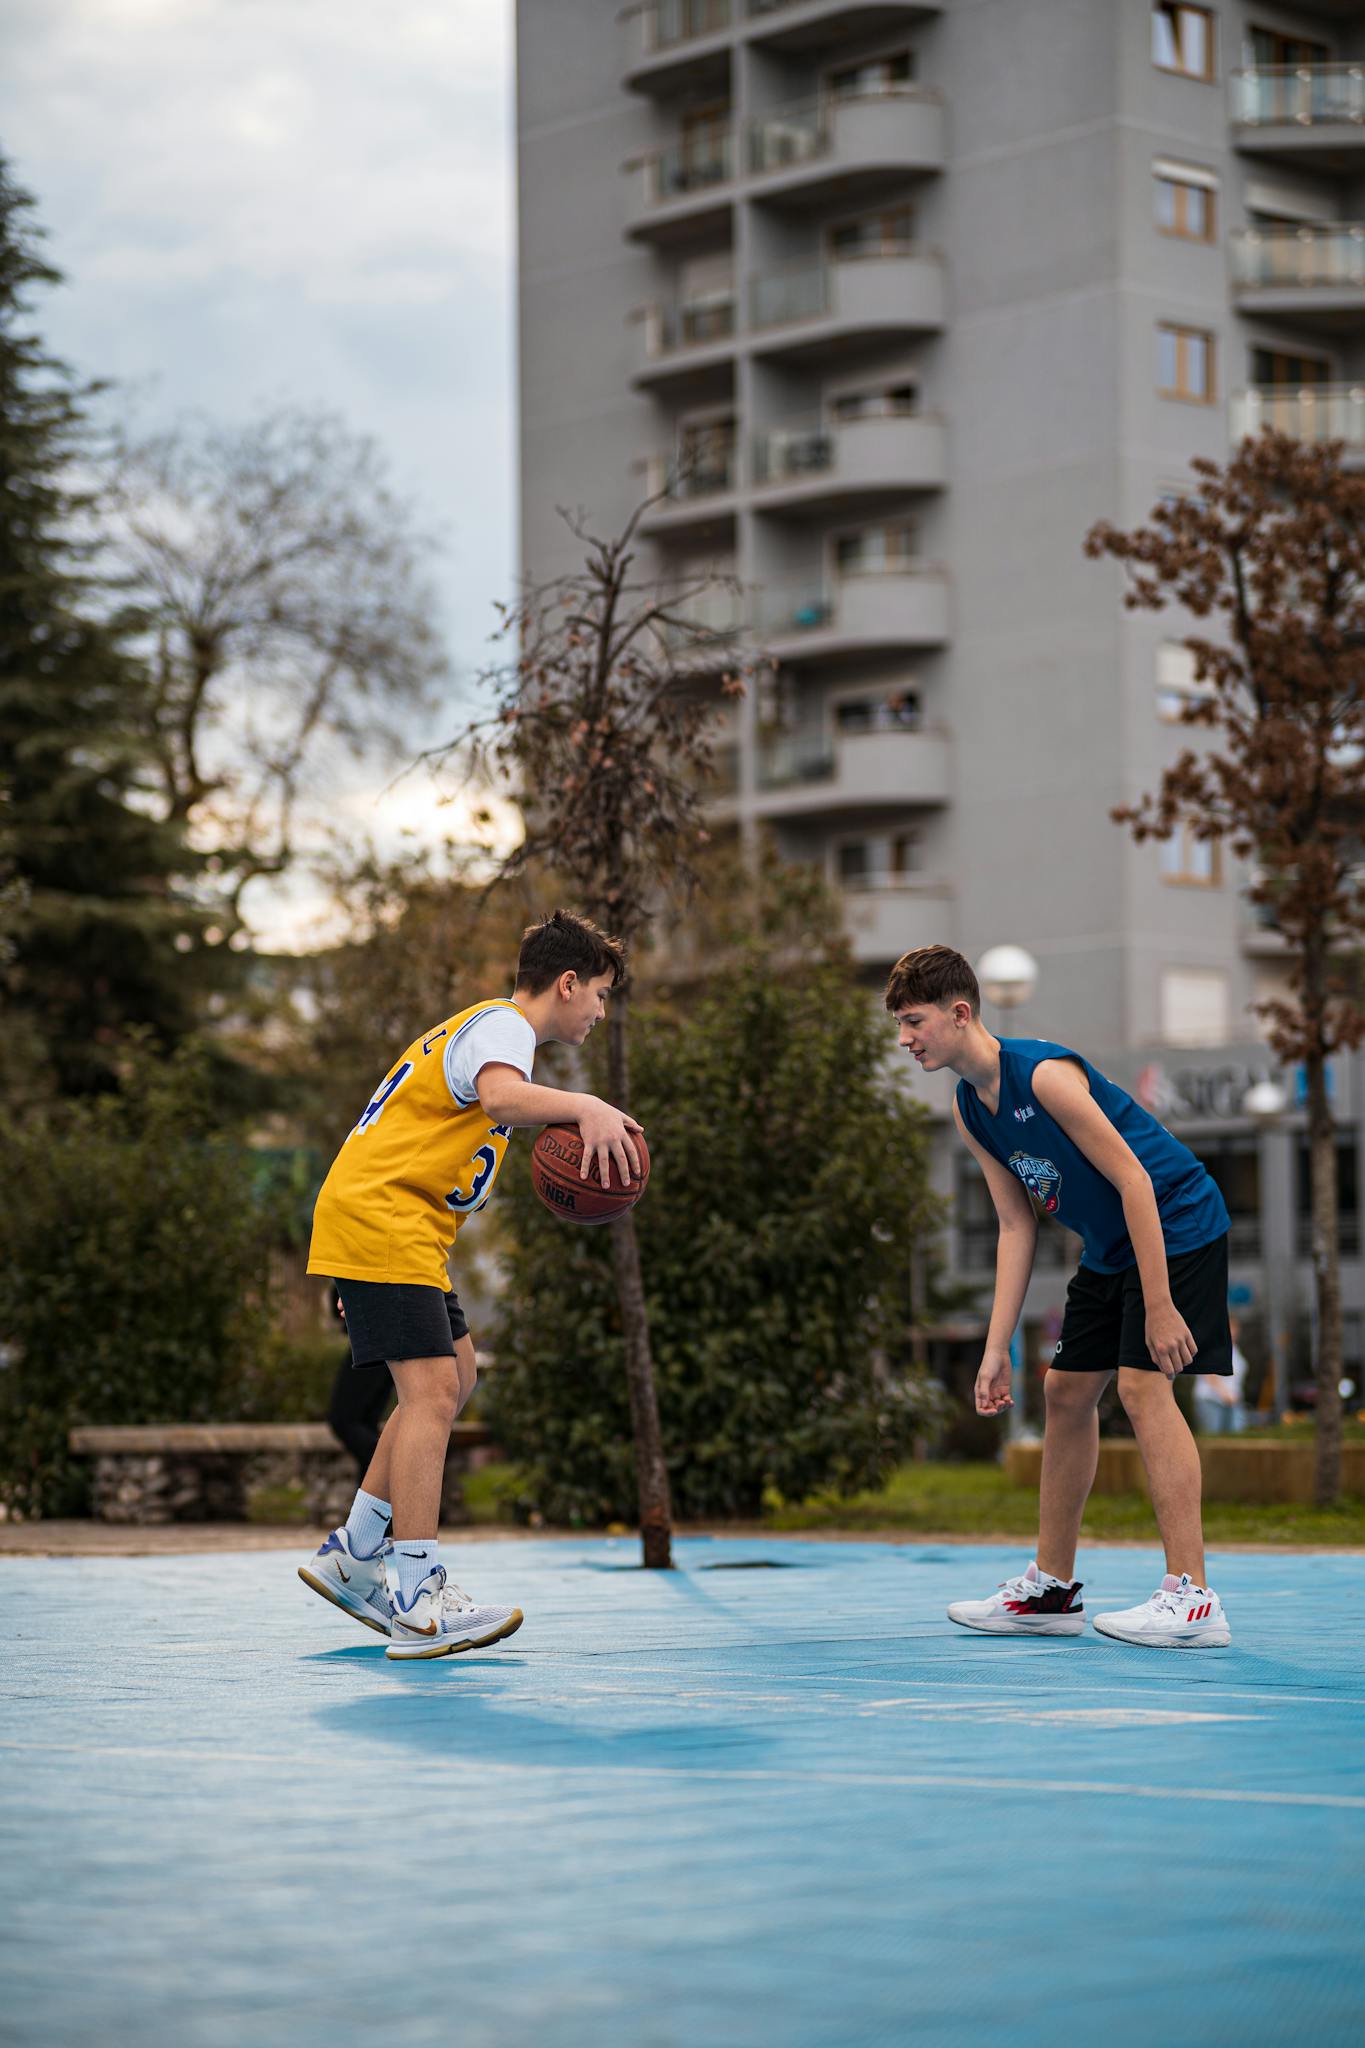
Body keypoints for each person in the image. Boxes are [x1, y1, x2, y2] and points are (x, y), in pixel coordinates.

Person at [298, 909, 643, 1660]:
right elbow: (502, 1102)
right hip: (385, 1220)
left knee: (457, 1373)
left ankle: (354, 1552)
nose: (599, 1011)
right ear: (567, 982)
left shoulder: (487, 1030)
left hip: (396, 1228)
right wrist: (585, 1105)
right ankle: (417, 1599)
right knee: (432, 1398)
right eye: (601, 995)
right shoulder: (502, 1030)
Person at [888, 945, 1233, 1649]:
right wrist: (993, 1351)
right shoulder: (968, 1107)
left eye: (913, 1020)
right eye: (897, 1023)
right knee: (1066, 1393)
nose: (903, 1039)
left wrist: (1160, 1301)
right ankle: (1050, 1588)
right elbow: (1016, 1225)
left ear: (960, 1013)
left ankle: (1193, 1599)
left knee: (1141, 1389)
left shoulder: (1043, 1077)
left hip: (1177, 1223)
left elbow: (1135, 1181)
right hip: (1111, 1250)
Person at [323, 1286, 393, 1477]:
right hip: (383, 1334)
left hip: (374, 1334)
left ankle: (391, 1471)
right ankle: (372, 1497)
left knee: (344, 1420)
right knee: (365, 1423)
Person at [1194, 1312, 1249, 1435]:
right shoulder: (1213, 1346)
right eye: (1231, 1327)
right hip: (1211, 1400)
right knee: (1213, 1438)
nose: (1234, 1331)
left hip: (1232, 1402)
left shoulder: (1235, 1349)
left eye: (1236, 1327)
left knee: (1235, 1437)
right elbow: (1208, 1374)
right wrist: (1225, 1394)